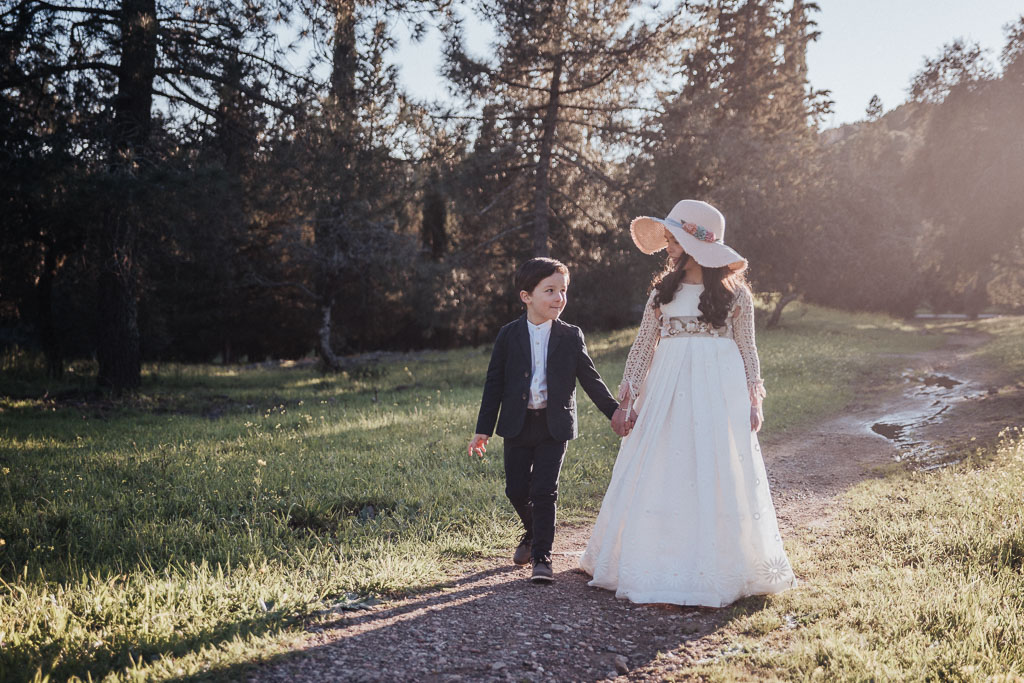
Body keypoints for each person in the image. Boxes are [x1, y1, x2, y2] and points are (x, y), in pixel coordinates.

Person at [580, 199, 796, 607]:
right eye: (667, 238)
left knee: (714, 462)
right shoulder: (664, 292)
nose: (668, 246)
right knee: (666, 458)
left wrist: (754, 395)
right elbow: (644, 344)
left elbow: (748, 348)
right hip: (668, 384)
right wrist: (628, 392)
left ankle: (716, 560)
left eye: (674, 238)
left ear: (697, 243)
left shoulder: (736, 296)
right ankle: (653, 555)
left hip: (720, 386)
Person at [469, 257, 620, 584]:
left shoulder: (571, 335)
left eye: (563, 291)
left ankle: (542, 557)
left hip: (555, 427)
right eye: (549, 290)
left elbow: (590, 379)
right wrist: (483, 430)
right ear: (526, 296)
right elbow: (494, 382)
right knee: (515, 489)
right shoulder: (508, 336)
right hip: (517, 425)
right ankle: (532, 533)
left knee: (544, 491)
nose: (559, 298)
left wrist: (615, 412)